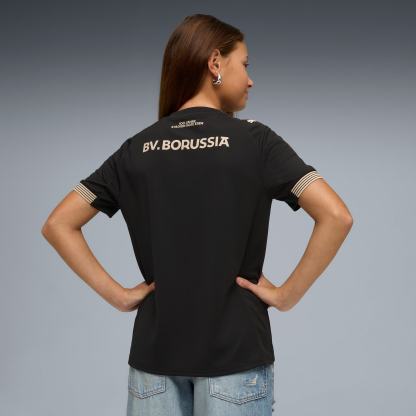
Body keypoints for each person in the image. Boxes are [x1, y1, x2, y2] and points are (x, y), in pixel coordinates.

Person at [41, 13, 353, 416]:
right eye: (245, 64)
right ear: (215, 62)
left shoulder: (137, 148)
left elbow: (58, 224)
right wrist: (286, 295)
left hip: (154, 360)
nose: (251, 80)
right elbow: (336, 216)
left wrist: (119, 296)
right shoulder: (255, 141)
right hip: (236, 356)